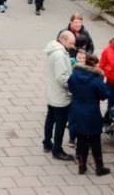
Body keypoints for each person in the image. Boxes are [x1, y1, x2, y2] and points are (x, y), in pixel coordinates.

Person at [68, 54, 110, 176]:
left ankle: (82, 166)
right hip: (91, 113)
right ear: (95, 65)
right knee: (95, 140)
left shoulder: (74, 75)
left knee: (81, 139)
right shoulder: (97, 80)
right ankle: (99, 167)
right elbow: (104, 95)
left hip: (76, 110)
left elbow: (70, 87)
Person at [43, 31, 77, 162]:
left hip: (53, 93)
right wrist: (72, 87)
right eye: (71, 42)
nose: (73, 45)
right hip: (60, 95)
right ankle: (57, 149)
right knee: (60, 123)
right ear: (63, 40)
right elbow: (62, 77)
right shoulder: (59, 55)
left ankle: (47, 142)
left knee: (50, 117)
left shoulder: (55, 50)